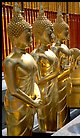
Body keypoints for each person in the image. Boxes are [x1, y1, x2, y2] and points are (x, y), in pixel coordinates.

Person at [3, 3, 41, 136]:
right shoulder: (10, 61)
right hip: (17, 105)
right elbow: (13, 90)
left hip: (30, 102)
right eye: (28, 36)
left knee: (29, 130)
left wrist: (37, 95)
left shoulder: (29, 56)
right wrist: (33, 102)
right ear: (14, 38)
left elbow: (34, 79)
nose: (31, 39)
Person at [31, 4, 60, 132]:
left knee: (54, 120)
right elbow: (37, 80)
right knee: (45, 122)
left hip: (53, 89)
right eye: (50, 32)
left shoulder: (51, 52)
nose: (53, 36)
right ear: (38, 34)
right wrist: (56, 73)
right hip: (43, 92)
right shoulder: (36, 55)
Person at [51, 7, 71, 129]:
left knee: (66, 111)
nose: (68, 33)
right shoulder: (55, 49)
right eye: (65, 31)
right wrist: (70, 70)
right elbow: (56, 74)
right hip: (58, 84)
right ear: (58, 32)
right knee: (60, 112)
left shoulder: (64, 47)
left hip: (66, 82)